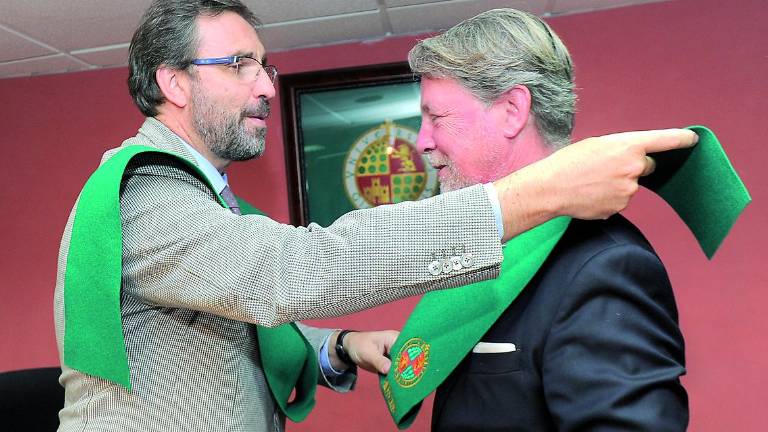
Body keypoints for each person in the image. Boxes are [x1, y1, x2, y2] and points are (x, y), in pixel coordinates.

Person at [52, 1, 695, 431]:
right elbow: (288, 274)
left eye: (265, 64)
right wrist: (539, 193)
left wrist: (339, 346)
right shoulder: (146, 195)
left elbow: (224, 325)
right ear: (175, 84)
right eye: (239, 64)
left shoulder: (605, 262)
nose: (267, 84)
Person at [407, 9, 687, 431]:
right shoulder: (493, 247)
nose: (422, 142)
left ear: (512, 110)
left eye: (436, 118)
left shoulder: (604, 266)